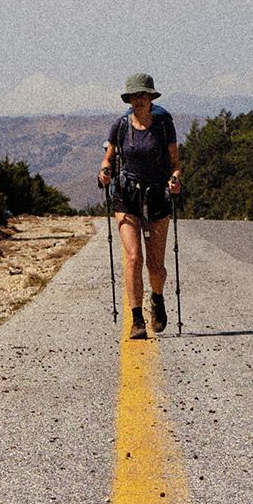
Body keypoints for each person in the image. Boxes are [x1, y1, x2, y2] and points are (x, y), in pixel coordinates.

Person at [97, 73, 180, 338]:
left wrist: (175, 179)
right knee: (133, 258)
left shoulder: (164, 124)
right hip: (127, 195)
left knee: (155, 266)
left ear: (151, 96)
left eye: (143, 94)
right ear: (129, 98)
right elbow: (108, 158)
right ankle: (136, 320)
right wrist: (104, 172)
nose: (138, 99)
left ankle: (157, 298)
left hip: (157, 195)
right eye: (134, 95)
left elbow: (175, 163)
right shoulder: (120, 125)